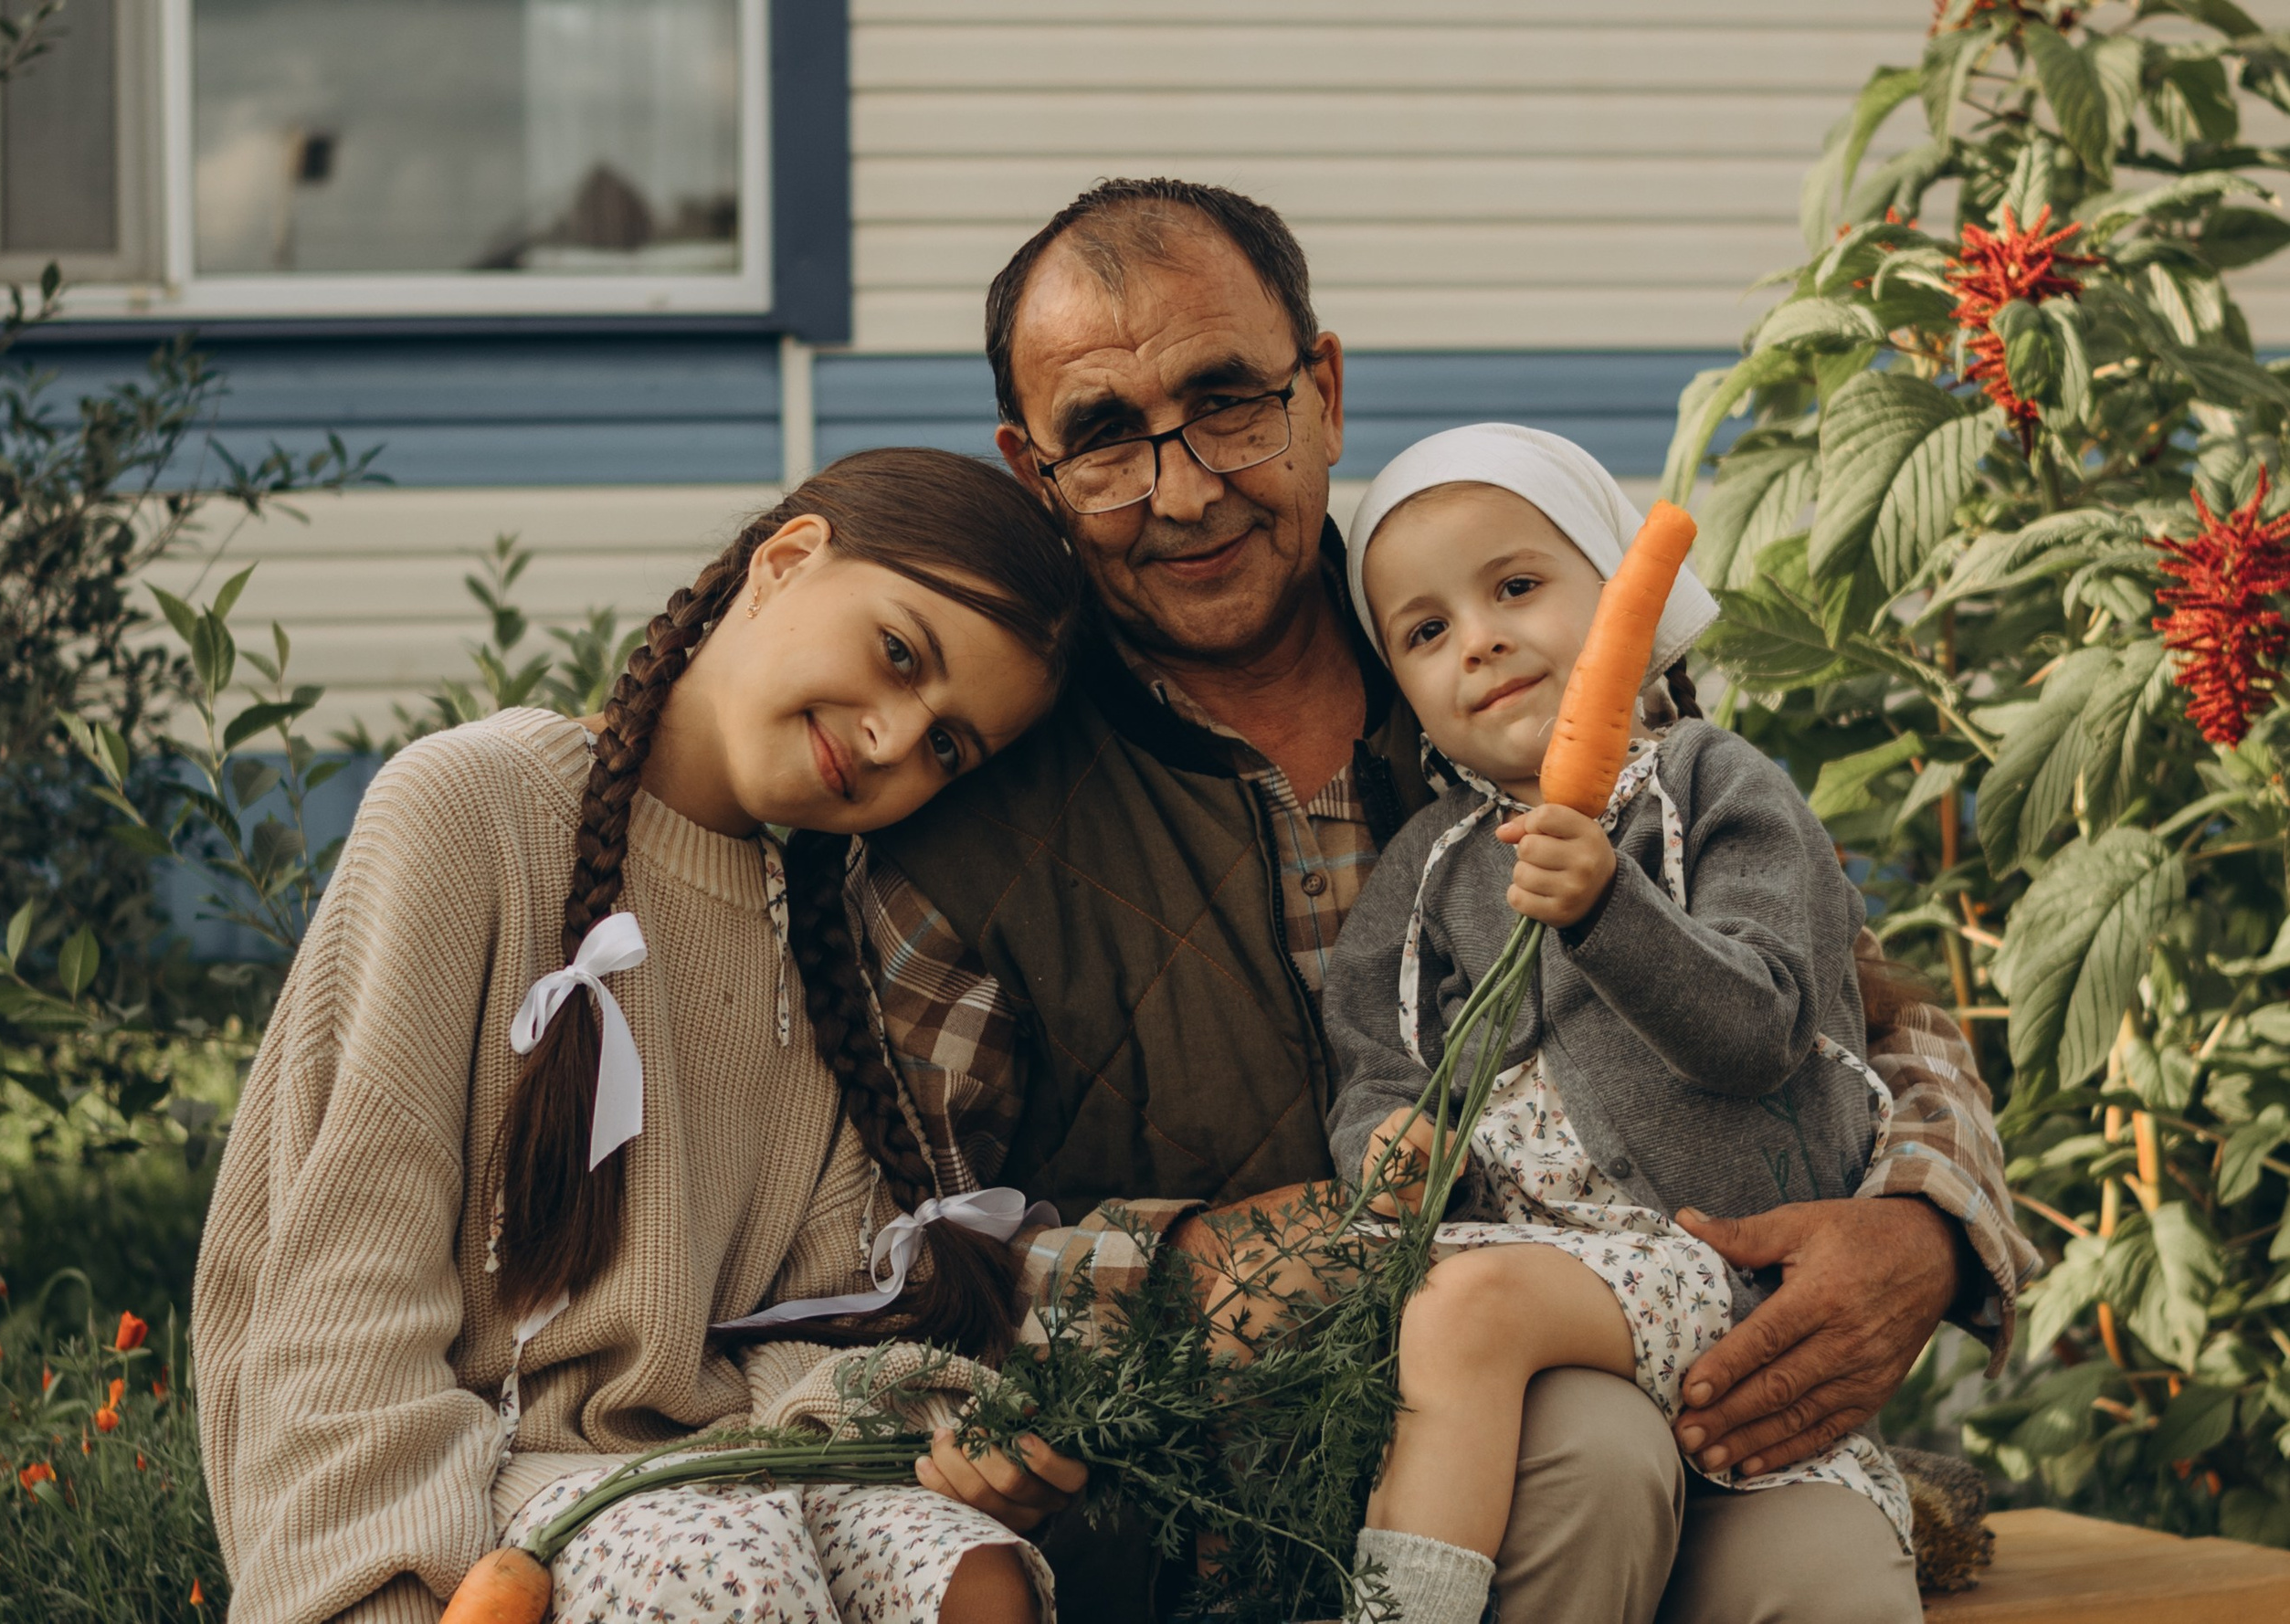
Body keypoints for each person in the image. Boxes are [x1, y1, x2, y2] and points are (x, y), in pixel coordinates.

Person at [858, 178, 2038, 1624]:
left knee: (1715, 1510)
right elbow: (892, 1251)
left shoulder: (1523, 644)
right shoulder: (960, 801)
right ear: (1032, 470)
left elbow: (1848, 995)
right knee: (1594, 1460)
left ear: (1325, 390)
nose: (1182, 489)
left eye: (1228, 401)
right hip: (1222, 1511)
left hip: (1683, 1382)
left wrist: (1920, 1225)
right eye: (1104, 437)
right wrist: (1192, 1267)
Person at [193, 448, 1093, 1624]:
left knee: (969, 1577)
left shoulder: (816, 937)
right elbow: (338, 1288)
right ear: (785, 560)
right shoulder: (476, 808)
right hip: (487, 1475)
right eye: (898, 655)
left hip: (711, 1468)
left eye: (947, 746)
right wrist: (384, 1594)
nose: (890, 740)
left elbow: (812, 1316)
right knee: (720, 1563)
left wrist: (937, 1424)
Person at [1327, 425, 1923, 1624]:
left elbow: (1765, 1031)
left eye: (1516, 587)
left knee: (1838, 1586)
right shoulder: (1427, 869)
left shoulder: (1718, 788)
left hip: (1728, 1278)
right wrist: (1387, 1148)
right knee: (1463, 1305)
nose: (1479, 638)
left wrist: (1612, 906)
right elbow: (1374, 1063)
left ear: (1624, 598)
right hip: (1550, 1313)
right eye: (1427, 631)